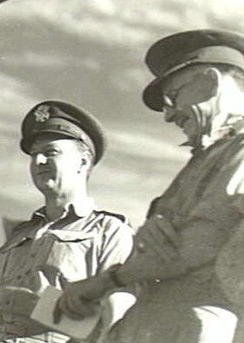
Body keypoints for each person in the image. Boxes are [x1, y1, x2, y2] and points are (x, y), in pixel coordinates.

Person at [56, 29, 244, 343]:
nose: (169, 115)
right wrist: (147, 246)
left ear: (209, 82)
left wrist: (106, 280)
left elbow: (199, 244)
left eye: (173, 98)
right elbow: (167, 251)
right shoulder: (208, 158)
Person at [0, 101, 135, 343]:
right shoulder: (17, 238)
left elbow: (115, 324)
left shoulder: (109, 233)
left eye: (50, 152)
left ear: (83, 162)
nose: (38, 162)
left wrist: (32, 306)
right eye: (34, 155)